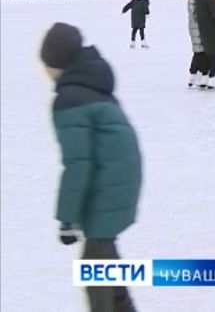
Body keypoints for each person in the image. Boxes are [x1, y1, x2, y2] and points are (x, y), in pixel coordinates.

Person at [40, 23, 142, 312]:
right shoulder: (91, 83)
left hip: (107, 189)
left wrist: (67, 218)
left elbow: (77, 164)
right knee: (106, 264)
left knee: (94, 271)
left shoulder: (69, 99)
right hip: (120, 181)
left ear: (56, 63)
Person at [181, 0, 207, 88]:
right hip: (197, 27)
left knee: (199, 52)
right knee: (199, 52)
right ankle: (195, 76)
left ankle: (195, 76)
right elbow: (195, 13)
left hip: (196, 27)